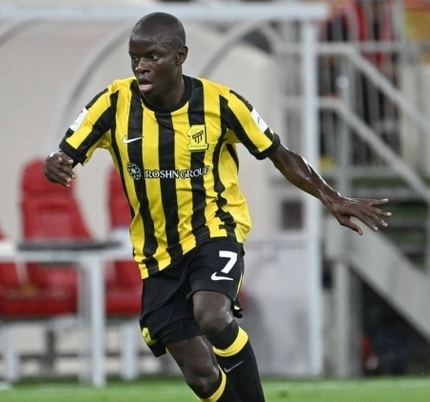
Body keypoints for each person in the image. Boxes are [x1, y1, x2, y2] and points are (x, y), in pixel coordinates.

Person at [44, 12, 391, 402]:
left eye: (152, 56)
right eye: (135, 57)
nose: (141, 66)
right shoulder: (114, 103)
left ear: (180, 56)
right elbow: (65, 153)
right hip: (157, 254)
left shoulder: (220, 103)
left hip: (214, 230)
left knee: (212, 315)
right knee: (202, 377)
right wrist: (57, 162)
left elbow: (279, 154)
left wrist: (332, 197)